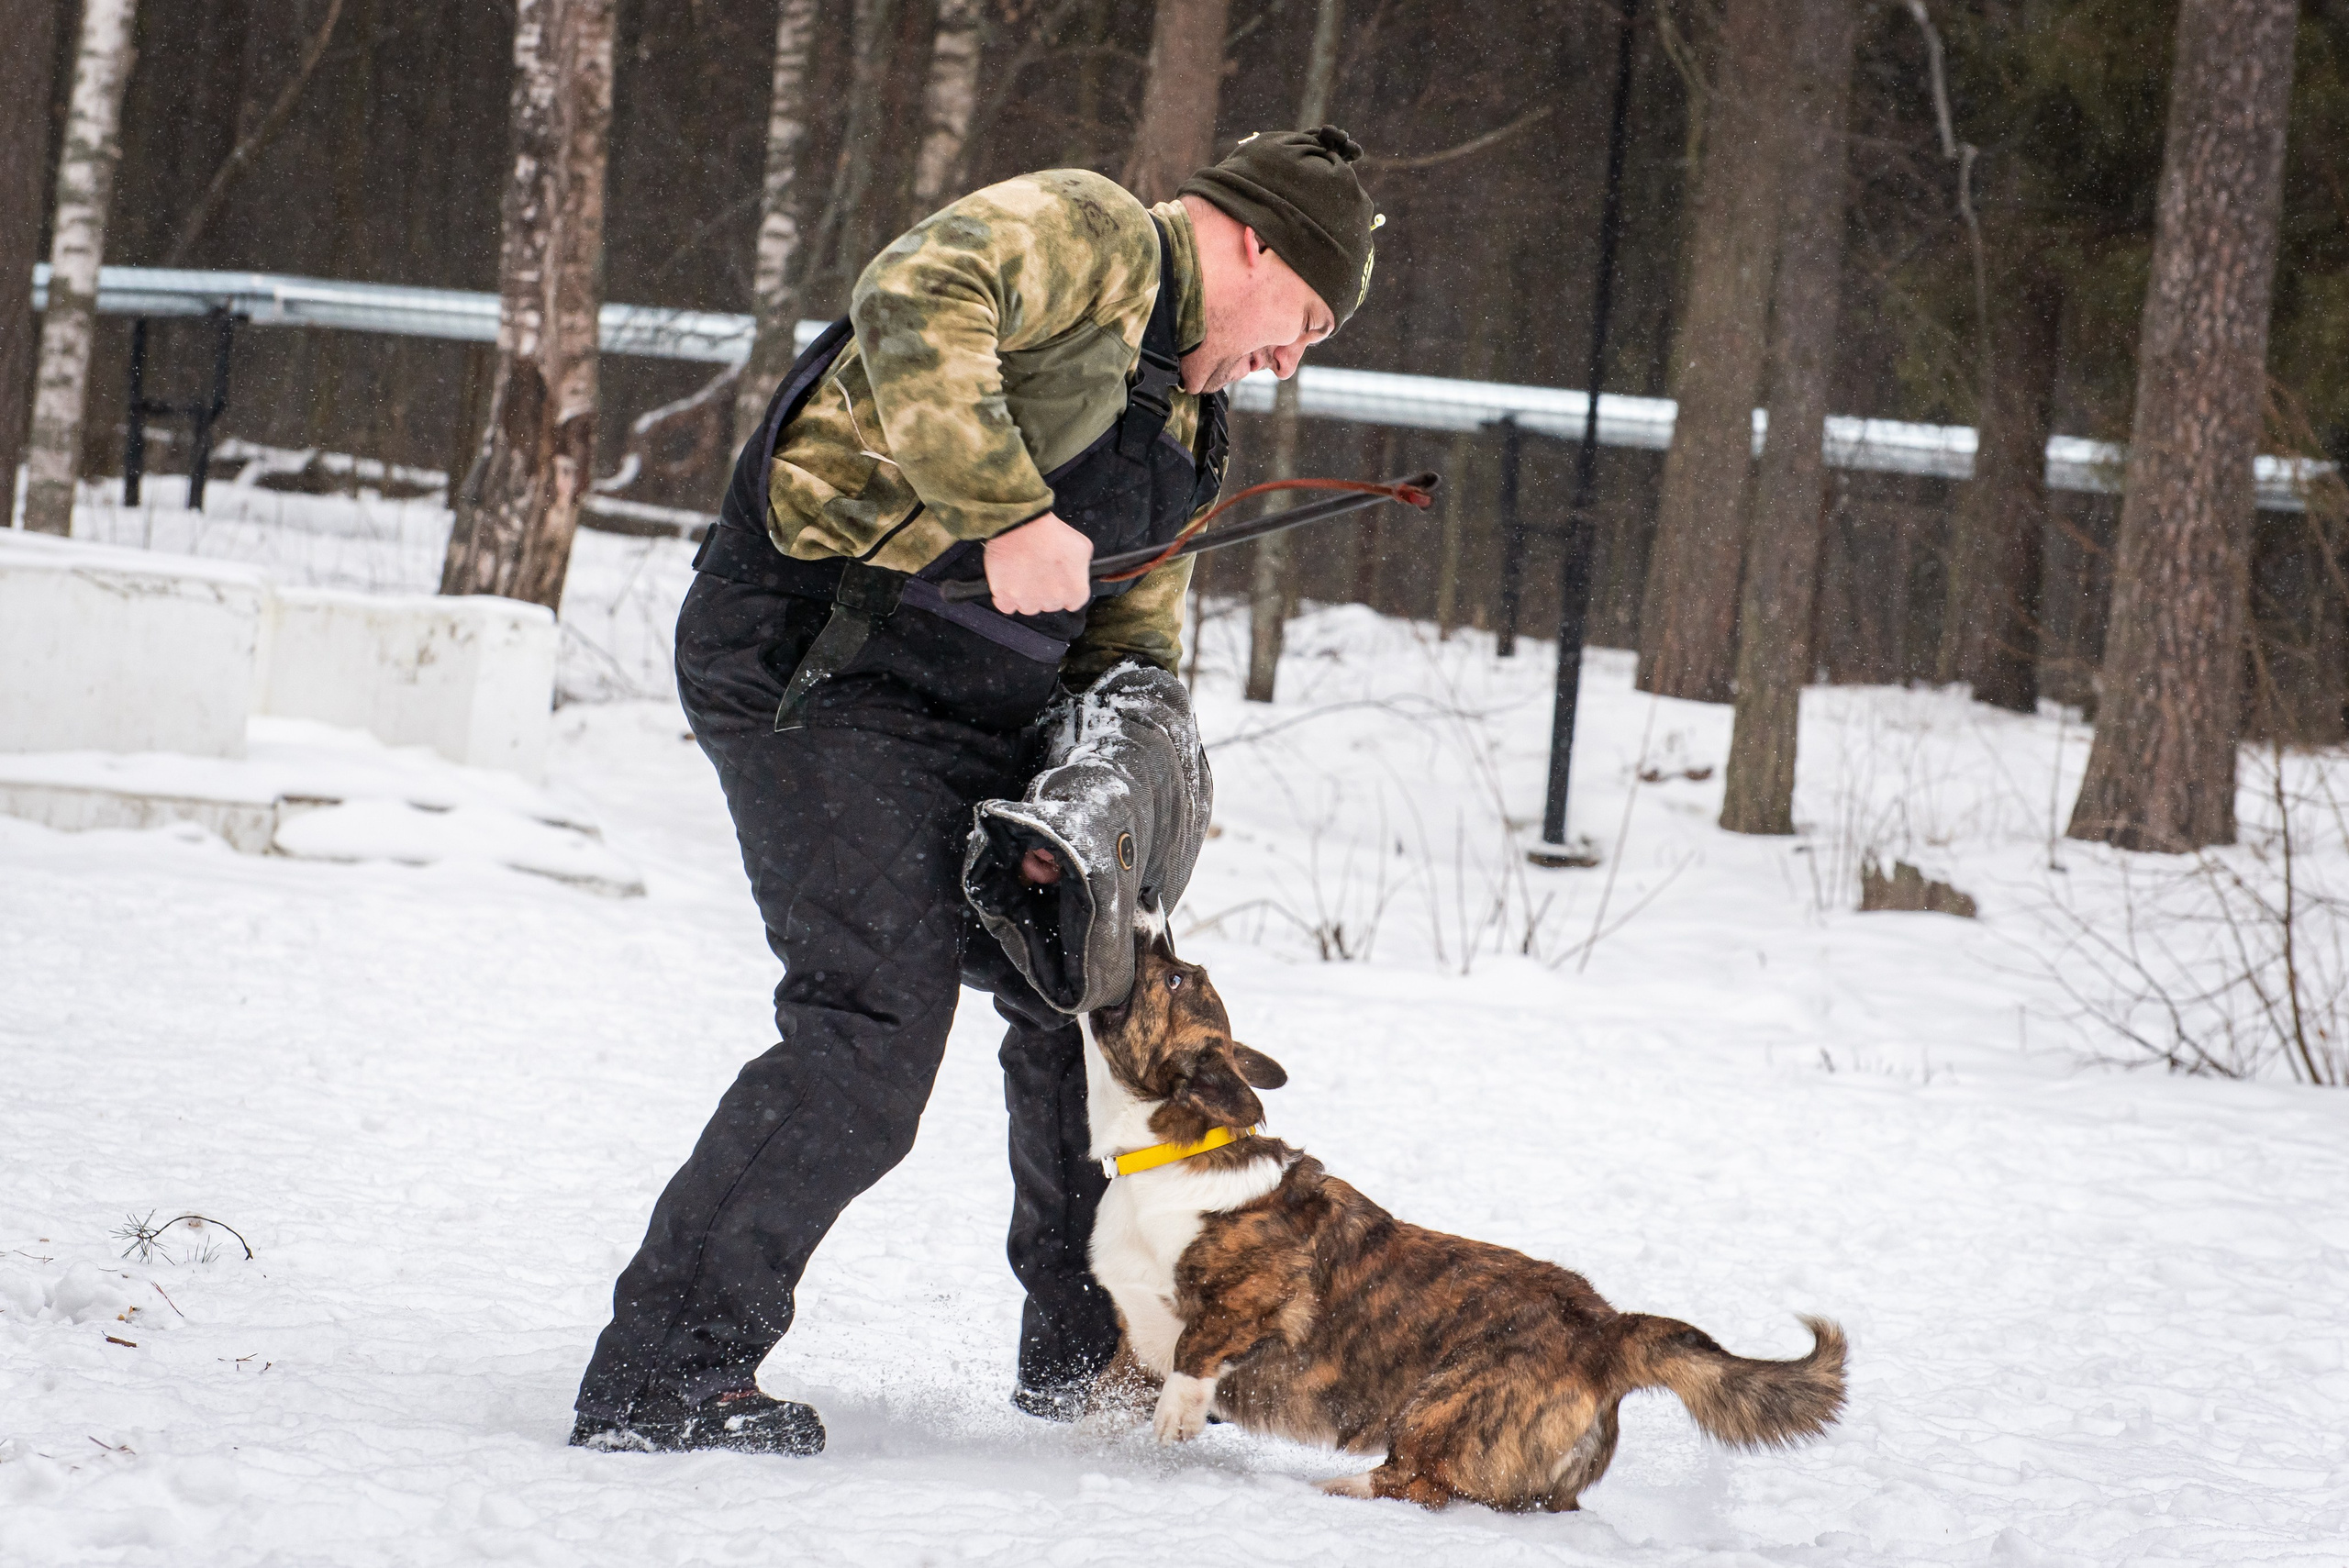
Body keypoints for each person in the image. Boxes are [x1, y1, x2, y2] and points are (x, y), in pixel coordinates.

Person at [570, 127, 1380, 1454]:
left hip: (979, 714)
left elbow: (1129, 634)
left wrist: (1123, 787)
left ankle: (1082, 1366)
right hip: (820, 660)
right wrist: (1006, 507)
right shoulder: (1098, 237)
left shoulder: (1192, 424)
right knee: (871, 1020)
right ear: (1253, 242)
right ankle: (663, 1371)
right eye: (1305, 318)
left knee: (1083, 999)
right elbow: (912, 296)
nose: (1291, 358)